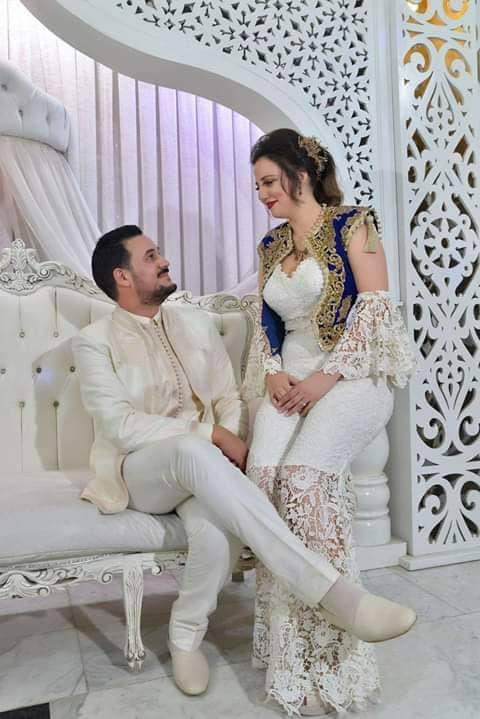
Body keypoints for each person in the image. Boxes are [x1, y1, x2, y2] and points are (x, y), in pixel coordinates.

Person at [73, 225, 416, 701]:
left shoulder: (195, 324)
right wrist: (215, 436)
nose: (164, 260)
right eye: (150, 256)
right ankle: (333, 593)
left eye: (160, 252)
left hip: (204, 468)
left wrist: (229, 438)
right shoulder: (93, 341)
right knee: (192, 448)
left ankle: (185, 635)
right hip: (141, 472)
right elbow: (121, 426)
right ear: (122, 276)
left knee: (216, 533)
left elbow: (228, 398)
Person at [246, 128, 417, 716]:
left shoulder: (354, 225)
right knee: (263, 484)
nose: (263, 194)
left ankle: (343, 639)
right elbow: (266, 321)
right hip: (289, 378)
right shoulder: (271, 244)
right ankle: (292, 653)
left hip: (353, 374)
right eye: (258, 186)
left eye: (270, 181)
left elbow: (374, 311)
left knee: (303, 479)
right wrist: (273, 371)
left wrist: (326, 376)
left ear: (301, 173)